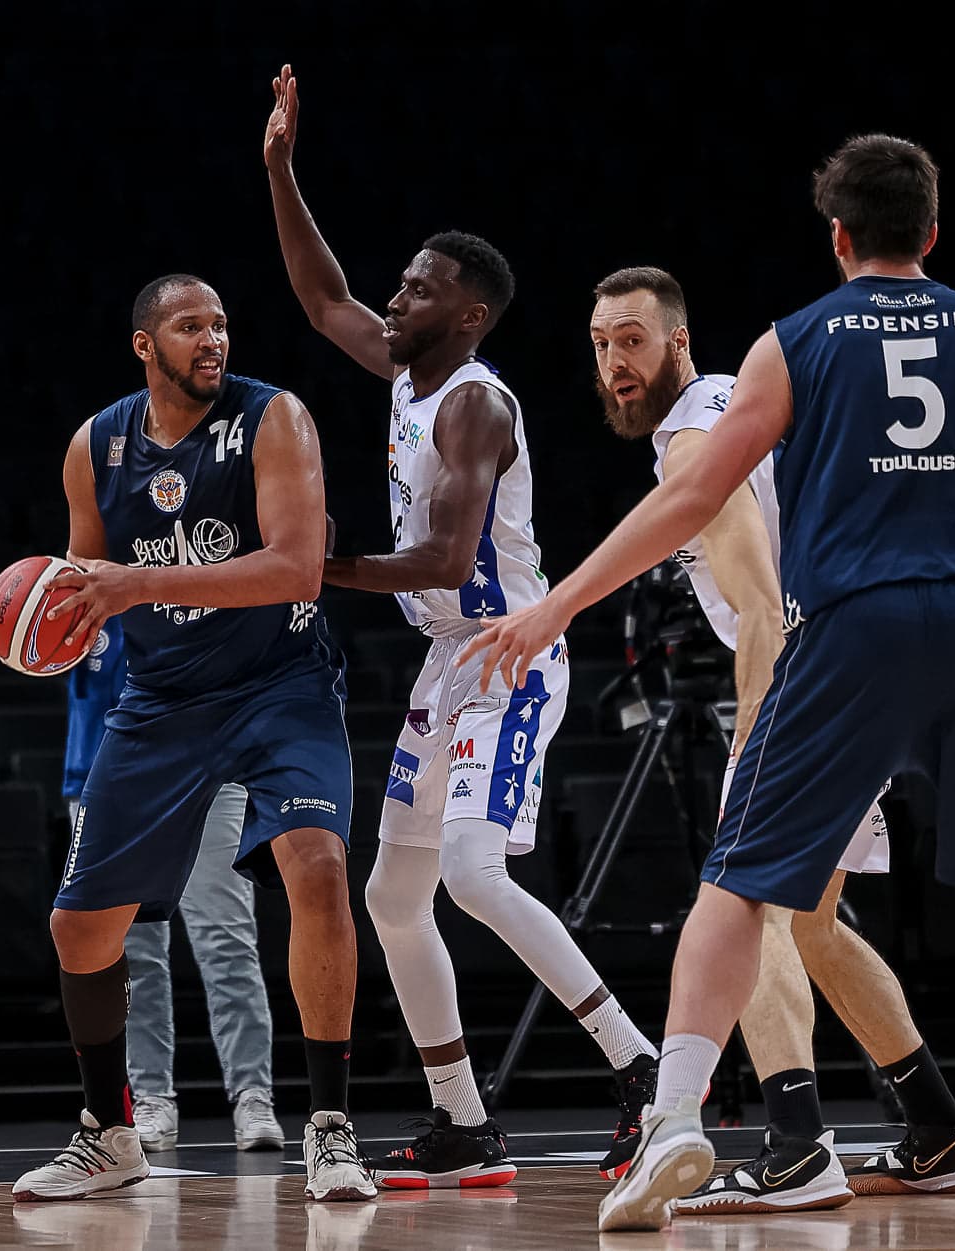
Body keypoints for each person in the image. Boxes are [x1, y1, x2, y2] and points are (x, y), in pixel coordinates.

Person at [463, 135, 955, 1231]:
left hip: (850, 632)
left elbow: (691, 500)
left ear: (839, 237)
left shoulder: (794, 343)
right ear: (933, 233)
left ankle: (674, 1124)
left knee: (736, 889)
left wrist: (555, 604)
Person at [262, 63, 660, 1189]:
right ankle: (464, 1121)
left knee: (475, 876)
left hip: (511, 650)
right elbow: (316, 296)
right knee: (394, 895)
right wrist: (282, 168)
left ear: (468, 315)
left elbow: (443, 558)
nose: (395, 297)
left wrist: (312, 563)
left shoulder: (476, 399)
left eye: (419, 288)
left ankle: (640, 1069)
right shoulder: (402, 372)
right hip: (449, 660)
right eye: (401, 282)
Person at [589, 264, 955, 1214]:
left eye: (632, 340)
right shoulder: (739, 402)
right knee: (809, 920)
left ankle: (796, 1143)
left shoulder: (695, 430)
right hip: (859, 663)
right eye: (601, 344)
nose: (614, 361)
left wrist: (757, 738)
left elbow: (759, 603)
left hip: (808, 682)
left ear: (677, 340)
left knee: (755, 905)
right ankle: (940, 1130)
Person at [2, 273, 375, 1204]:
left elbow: (296, 570)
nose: (211, 339)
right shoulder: (97, 444)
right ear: (145, 344)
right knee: (78, 924)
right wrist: (46, 616)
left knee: (318, 869)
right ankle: (108, 1132)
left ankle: (328, 1127)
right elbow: (90, 571)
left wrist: (134, 583)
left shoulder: (273, 418)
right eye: (189, 325)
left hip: (280, 682)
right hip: (164, 697)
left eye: (219, 324)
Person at [61, 616, 286, 1155]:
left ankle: (254, 1095)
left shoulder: (199, 557)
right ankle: (151, 1097)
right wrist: (14, 630)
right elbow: (38, 649)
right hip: (106, 772)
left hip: (208, 768)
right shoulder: (72, 579)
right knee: (130, 954)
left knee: (226, 938)